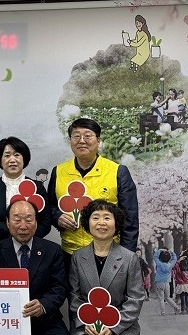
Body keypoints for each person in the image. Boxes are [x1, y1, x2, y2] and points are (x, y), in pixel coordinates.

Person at [0, 200, 76, 335]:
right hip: (7, 324)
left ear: (36, 222)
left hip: (46, 322)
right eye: (17, 219)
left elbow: (59, 287)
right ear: (7, 222)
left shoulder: (53, 250)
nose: (23, 226)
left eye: (28, 219)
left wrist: (43, 305)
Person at [48, 118, 139, 279]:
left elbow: (130, 220)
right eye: (76, 136)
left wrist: (126, 258)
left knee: (107, 295)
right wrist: (57, 217)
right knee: (74, 294)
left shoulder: (117, 172)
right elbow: (50, 206)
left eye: (87, 136)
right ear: (70, 141)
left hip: (108, 253)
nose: (81, 141)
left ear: (98, 140)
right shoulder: (59, 171)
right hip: (70, 252)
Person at [70, 200, 144, 335]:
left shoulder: (129, 258)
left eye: (107, 218)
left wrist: (113, 327)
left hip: (121, 326)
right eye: (95, 217)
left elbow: (136, 298)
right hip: (86, 325)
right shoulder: (78, 257)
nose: (101, 223)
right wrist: (85, 322)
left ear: (116, 224)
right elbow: (74, 295)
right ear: (88, 223)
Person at [0, 136, 51, 252]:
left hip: (30, 249)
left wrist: (26, 238)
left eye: (17, 155)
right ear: (0, 160)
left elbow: (45, 222)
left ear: (24, 158)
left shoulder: (37, 187)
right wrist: (9, 229)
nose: (12, 160)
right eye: (7, 155)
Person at [153, 248, 179, 316]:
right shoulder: (170, 265)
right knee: (167, 297)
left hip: (159, 283)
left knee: (161, 298)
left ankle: (163, 312)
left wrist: (160, 250)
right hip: (167, 283)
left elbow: (155, 257)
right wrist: (171, 252)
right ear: (169, 258)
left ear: (160, 258)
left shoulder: (159, 264)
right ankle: (176, 307)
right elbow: (175, 258)